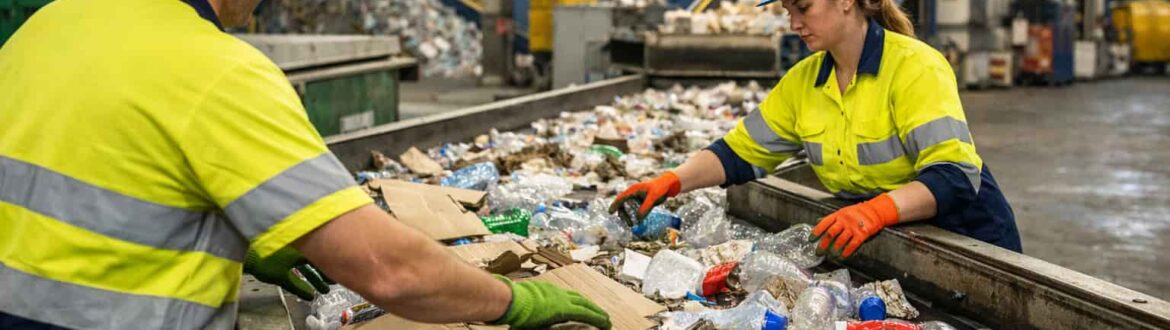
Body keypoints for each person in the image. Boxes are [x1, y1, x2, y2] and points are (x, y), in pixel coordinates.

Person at [0, 0, 610, 329]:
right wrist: (515, 301)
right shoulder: (215, 71)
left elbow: (94, 174)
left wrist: (250, 235)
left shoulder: (49, 23)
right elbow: (390, 272)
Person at [611, 0, 1022, 258]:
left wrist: (873, 211)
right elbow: (739, 153)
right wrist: (672, 181)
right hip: (890, 240)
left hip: (968, 241)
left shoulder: (916, 68)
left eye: (802, 8)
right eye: (788, 11)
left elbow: (954, 176)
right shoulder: (804, 81)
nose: (794, 23)